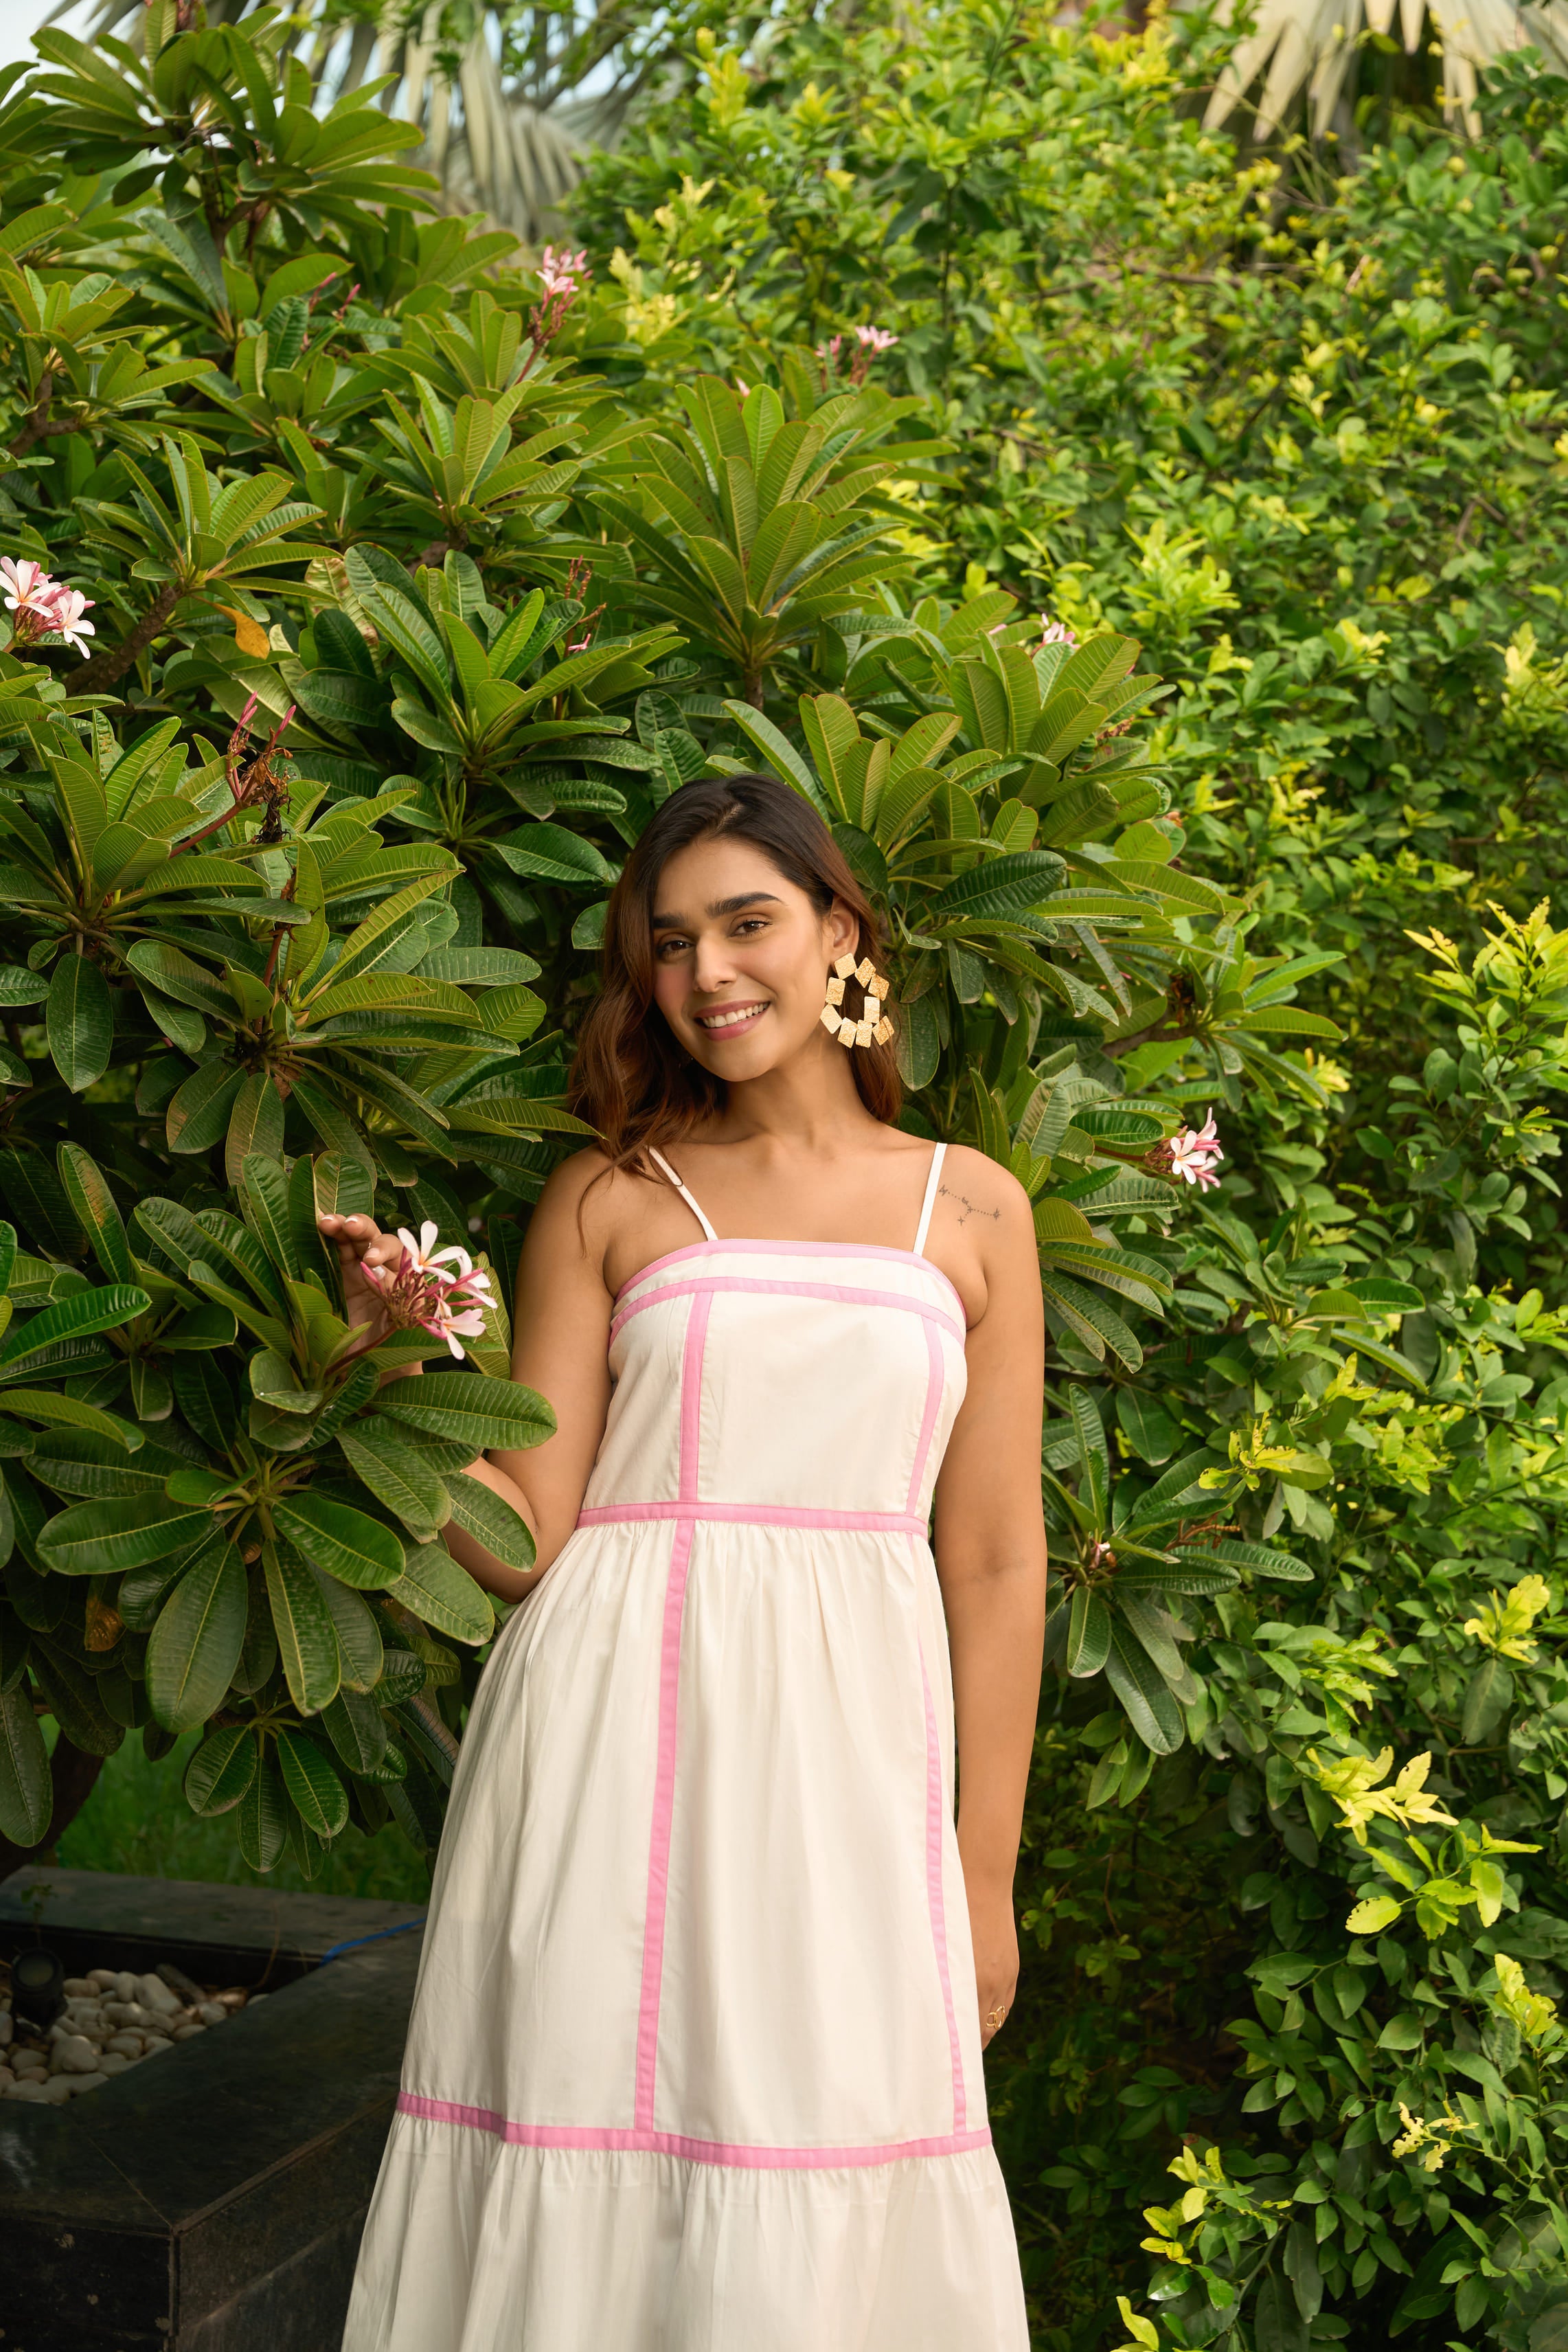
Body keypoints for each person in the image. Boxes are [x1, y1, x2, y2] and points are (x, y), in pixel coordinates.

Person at [327, 772, 1047, 2349]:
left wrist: (979, 1872)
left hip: (847, 1768)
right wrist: (390, 1367)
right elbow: (523, 1533)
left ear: (837, 931)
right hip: (607, 1735)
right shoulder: (604, 1195)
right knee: (588, 2112)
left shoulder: (970, 1207)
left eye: (747, 922)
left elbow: (993, 1560)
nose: (710, 972)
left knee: (823, 2130)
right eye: (669, 943)